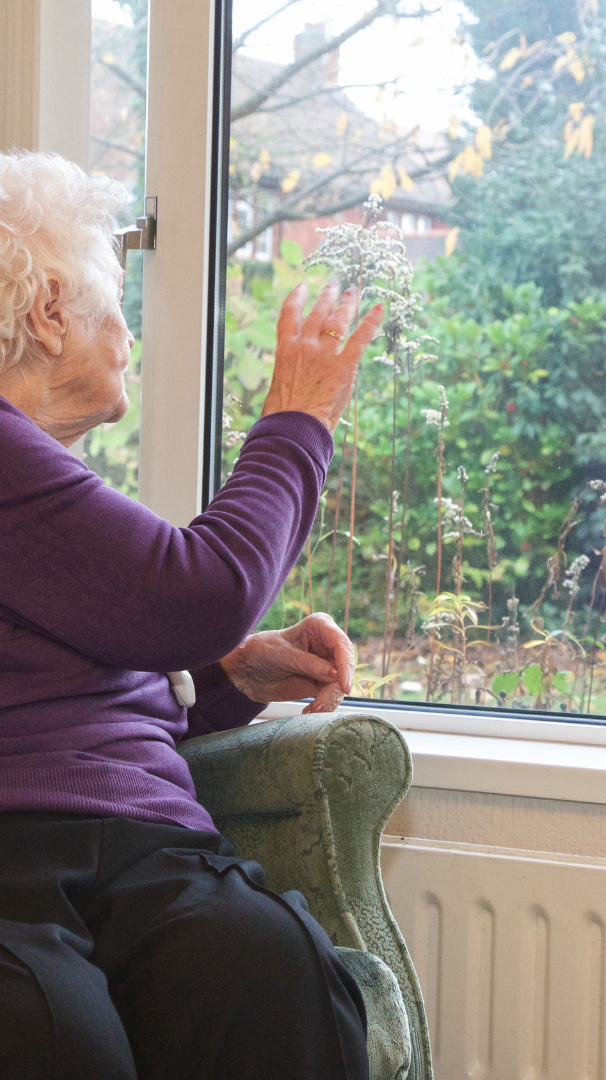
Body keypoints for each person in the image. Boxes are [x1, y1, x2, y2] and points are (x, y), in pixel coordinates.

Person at [0, 149, 384, 1079]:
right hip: (15, 853)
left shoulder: (41, 479)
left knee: (269, 971)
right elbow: (198, 594)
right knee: (56, 1035)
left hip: (140, 846)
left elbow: (82, 685)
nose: (130, 333)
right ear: (51, 312)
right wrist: (298, 418)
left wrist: (229, 679)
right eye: (114, 303)